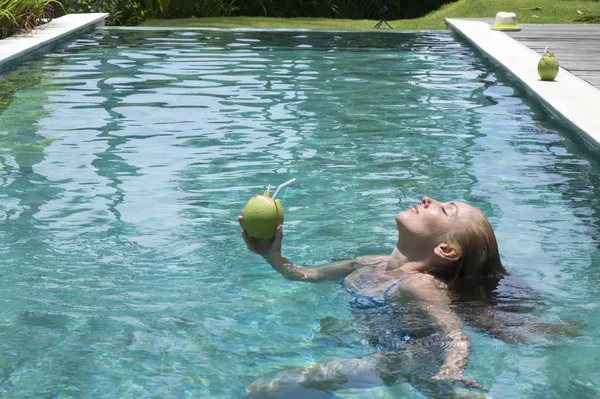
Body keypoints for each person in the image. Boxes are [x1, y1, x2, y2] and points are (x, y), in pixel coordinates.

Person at [238, 196, 507, 398]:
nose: (428, 199)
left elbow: (454, 334)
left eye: (446, 209)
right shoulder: (368, 264)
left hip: (410, 358)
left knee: (265, 390)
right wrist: (270, 254)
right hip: (382, 342)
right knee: (329, 328)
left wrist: (454, 367)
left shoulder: (419, 285)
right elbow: (304, 275)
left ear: (445, 249)